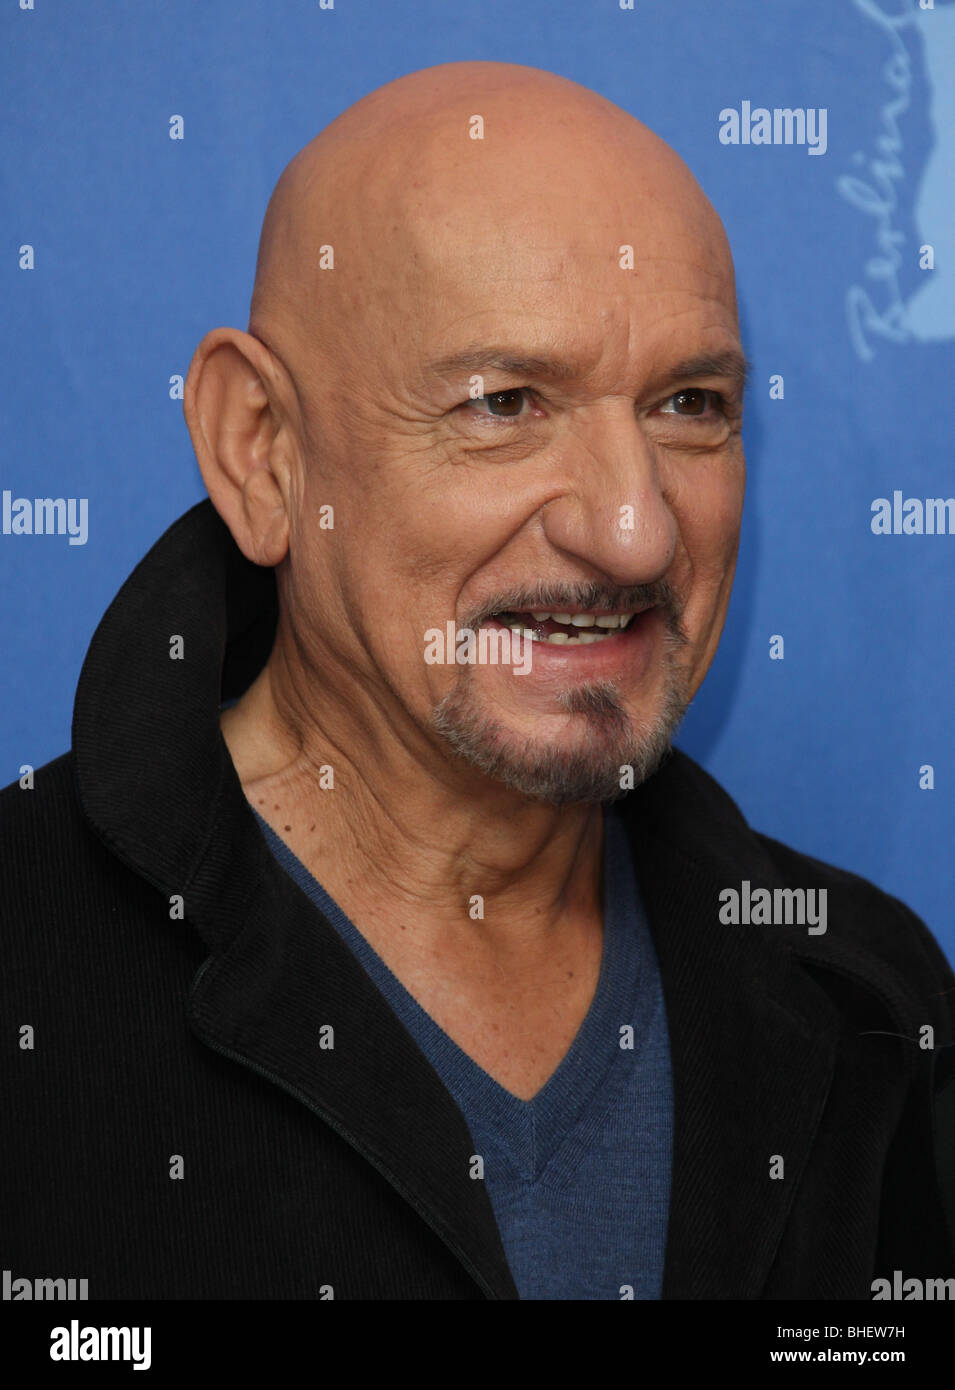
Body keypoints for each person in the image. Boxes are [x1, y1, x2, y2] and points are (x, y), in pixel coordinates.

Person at [2, 60, 953, 1302]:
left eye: (687, 403)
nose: (634, 530)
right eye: (504, 402)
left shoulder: (864, 993)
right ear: (264, 453)